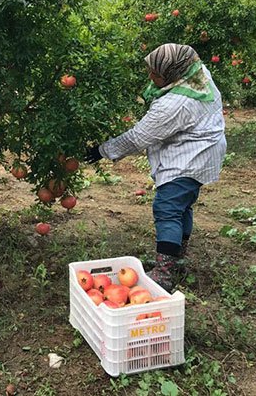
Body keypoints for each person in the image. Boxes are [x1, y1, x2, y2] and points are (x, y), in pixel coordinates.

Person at [85, 43, 226, 291]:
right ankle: (177, 257)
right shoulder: (196, 72)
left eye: (156, 73)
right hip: (206, 149)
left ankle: (164, 271)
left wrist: (101, 151)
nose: (151, 77)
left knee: (168, 208)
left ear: (172, 73)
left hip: (189, 158)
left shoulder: (175, 104)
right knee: (182, 206)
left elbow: (138, 138)